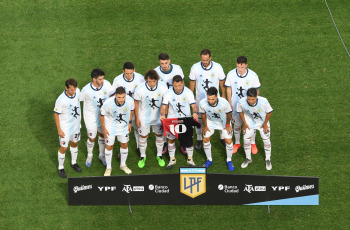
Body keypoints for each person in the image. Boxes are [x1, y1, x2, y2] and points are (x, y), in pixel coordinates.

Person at [189, 49, 226, 150]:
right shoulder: (195, 67)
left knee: (220, 117)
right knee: (199, 121)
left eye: (206, 60)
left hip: (215, 101)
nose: (204, 62)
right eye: (202, 60)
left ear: (210, 58)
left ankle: (222, 137)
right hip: (200, 100)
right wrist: (191, 100)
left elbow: (222, 83)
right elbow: (192, 84)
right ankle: (199, 139)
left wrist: (224, 97)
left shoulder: (218, 67)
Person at [160, 75, 199, 169]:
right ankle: (172, 159)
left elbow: (193, 106)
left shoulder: (188, 92)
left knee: (189, 141)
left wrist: (194, 112)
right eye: (175, 86)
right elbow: (163, 107)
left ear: (183, 84)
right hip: (172, 121)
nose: (177, 88)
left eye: (179, 85)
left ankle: (190, 159)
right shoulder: (168, 93)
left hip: (186, 120)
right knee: (171, 140)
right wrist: (163, 115)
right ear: (172, 84)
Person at [225, 56, 261, 154]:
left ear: (246, 65)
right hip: (235, 106)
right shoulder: (231, 74)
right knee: (236, 126)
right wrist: (229, 102)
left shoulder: (253, 76)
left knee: (251, 125)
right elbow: (228, 88)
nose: (240, 69)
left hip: (249, 107)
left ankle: (252, 143)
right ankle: (237, 143)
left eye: (242, 67)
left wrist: (255, 104)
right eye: (238, 67)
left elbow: (257, 91)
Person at [134, 69, 167, 168]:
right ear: (146, 80)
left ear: (157, 80)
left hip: (158, 117)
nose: (152, 83)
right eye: (149, 81)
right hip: (144, 118)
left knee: (159, 136)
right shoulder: (140, 89)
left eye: (154, 81)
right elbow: (136, 103)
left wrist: (164, 115)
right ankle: (143, 156)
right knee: (143, 137)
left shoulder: (163, 87)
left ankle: (159, 155)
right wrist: (137, 118)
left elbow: (166, 102)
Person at [109, 62, 145, 156]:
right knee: (123, 130)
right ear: (123, 71)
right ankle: (122, 149)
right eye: (126, 73)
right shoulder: (117, 80)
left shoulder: (140, 78)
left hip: (137, 109)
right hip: (123, 110)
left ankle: (139, 147)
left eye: (131, 73)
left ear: (134, 70)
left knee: (138, 128)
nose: (129, 76)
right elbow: (112, 94)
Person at [154, 53, 185, 155]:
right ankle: (164, 143)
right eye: (162, 63)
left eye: (166, 63)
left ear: (169, 61)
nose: (164, 65)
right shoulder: (156, 72)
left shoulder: (177, 69)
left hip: (176, 99)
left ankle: (182, 142)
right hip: (162, 100)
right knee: (163, 121)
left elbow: (182, 83)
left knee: (179, 119)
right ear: (159, 62)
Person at [80, 68, 111, 167]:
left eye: (103, 79)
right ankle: (90, 155)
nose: (103, 81)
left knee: (102, 135)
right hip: (91, 118)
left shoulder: (106, 84)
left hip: (103, 116)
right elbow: (78, 100)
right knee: (92, 138)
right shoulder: (86, 90)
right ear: (94, 79)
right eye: (100, 79)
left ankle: (101, 156)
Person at [99, 87, 134, 176]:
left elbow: (132, 111)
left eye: (123, 97)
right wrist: (104, 129)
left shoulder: (130, 101)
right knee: (109, 146)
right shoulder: (108, 104)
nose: (122, 100)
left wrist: (130, 123)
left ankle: (123, 165)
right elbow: (101, 115)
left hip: (123, 127)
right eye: (119, 97)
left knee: (124, 145)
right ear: (115, 96)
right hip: (110, 127)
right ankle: (108, 168)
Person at [199, 87, 235, 172]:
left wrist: (228, 124)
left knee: (229, 141)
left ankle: (229, 160)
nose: (210, 101)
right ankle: (209, 160)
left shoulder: (224, 103)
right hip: (211, 122)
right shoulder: (202, 103)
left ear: (217, 96)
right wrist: (205, 126)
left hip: (223, 122)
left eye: (212, 99)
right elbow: (203, 115)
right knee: (205, 139)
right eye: (208, 99)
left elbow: (229, 113)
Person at [236, 88, 273, 170]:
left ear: (257, 96)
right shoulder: (241, 102)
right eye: (249, 99)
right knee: (246, 140)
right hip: (249, 124)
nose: (251, 101)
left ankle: (268, 159)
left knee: (266, 140)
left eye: (253, 99)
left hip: (262, 124)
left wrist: (265, 123)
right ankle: (248, 158)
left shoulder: (264, 101)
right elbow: (239, 111)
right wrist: (245, 123)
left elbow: (269, 112)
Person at [54, 78, 82, 178]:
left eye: (74, 89)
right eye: (71, 89)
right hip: (65, 129)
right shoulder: (61, 100)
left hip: (76, 126)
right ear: (66, 88)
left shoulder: (77, 91)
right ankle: (60, 167)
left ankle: (74, 162)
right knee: (64, 148)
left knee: (74, 143)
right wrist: (59, 129)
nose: (73, 91)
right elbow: (56, 114)